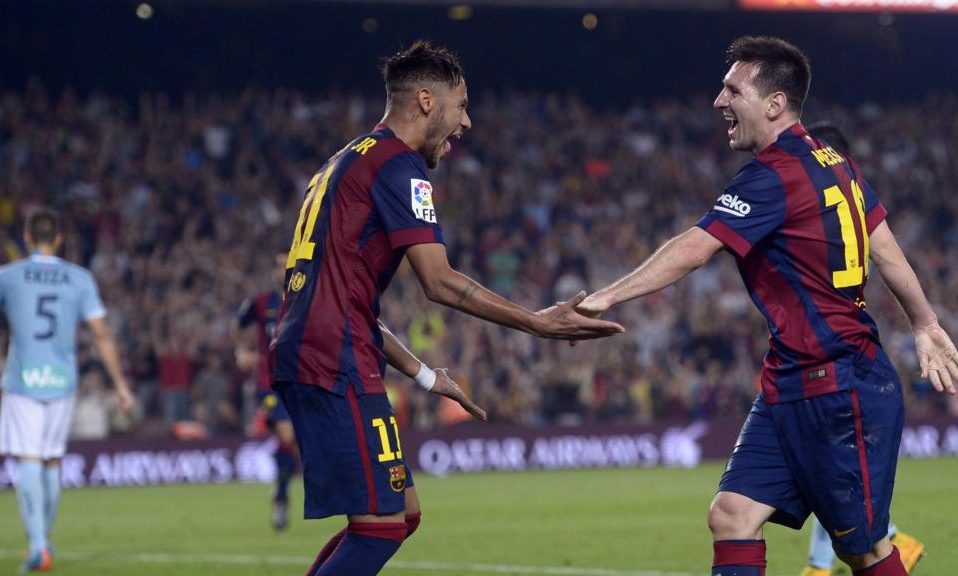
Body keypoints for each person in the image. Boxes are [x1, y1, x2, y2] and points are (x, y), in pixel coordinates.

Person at [576, 36, 958, 576]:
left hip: (840, 386)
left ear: (774, 103)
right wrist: (923, 321)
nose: (719, 101)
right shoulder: (837, 164)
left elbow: (695, 248)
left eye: (733, 90)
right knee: (731, 515)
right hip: (788, 383)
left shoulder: (774, 174)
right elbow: (887, 251)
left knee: (864, 550)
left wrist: (605, 296)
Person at [269, 40, 624, 576]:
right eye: (462, 106)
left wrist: (427, 377)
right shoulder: (399, 164)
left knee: (401, 516)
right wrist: (536, 321)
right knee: (381, 526)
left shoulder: (347, 160)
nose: (468, 123)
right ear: (427, 101)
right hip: (333, 357)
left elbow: (348, 300)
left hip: (326, 345)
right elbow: (439, 282)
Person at [0, 210, 135, 573]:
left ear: (27, 238)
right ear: (59, 240)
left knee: (29, 460)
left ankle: (37, 545)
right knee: (50, 460)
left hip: (22, 382)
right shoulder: (79, 278)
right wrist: (122, 386)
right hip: (62, 381)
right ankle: (43, 542)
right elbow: (101, 335)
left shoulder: (7, 276)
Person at [797, 121, 926, 576]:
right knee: (832, 470)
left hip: (842, 362)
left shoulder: (829, 205)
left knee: (831, 469)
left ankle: (829, 560)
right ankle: (888, 540)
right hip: (842, 354)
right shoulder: (843, 204)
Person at [236, 252, 298, 530]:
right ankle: (282, 499)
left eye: (287, 265)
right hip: (270, 381)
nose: (281, 271)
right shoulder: (261, 303)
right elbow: (237, 324)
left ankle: (280, 492)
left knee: (292, 442)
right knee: (287, 434)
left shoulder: (305, 297)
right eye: (277, 265)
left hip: (302, 380)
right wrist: (242, 351)